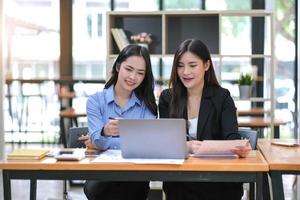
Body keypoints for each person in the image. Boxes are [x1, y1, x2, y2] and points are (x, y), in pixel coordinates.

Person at [159, 39, 251, 200]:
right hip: (180, 182)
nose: (185, 72)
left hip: (217, 182)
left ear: (206, 65)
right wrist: (188, 146)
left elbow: (231, 137)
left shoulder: (222, 97)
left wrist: (238, 147)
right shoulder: (168, 98)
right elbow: (166, 143)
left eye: (192, 65)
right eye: (180, 65)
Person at [83, 44, 157, 200]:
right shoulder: (95, 101)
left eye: (140, 73)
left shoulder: (147, 105)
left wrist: (99, 139)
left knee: (131, 185)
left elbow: (147, 145)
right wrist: (104, 133)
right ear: (118, 66)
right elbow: (101, 142)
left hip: (135, 176)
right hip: (102, 175)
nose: (133, 77)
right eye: (128, 69)